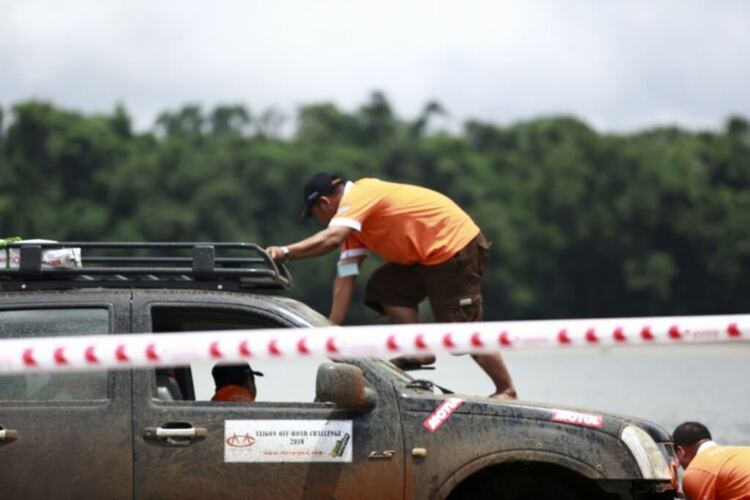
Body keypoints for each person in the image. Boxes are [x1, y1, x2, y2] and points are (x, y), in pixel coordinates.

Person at [266, 173, 517, 398]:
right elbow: (346, 274)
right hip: (426, 259)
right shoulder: (354, 227)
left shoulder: (361, 194)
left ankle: (506, 389)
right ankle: (419, 350)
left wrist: (285, 252)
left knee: (462, 333)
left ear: (324, 203)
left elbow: (331, 239)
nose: (318, 221)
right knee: (386, 287)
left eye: (315, 214)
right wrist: (331, 327)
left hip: (454, 247)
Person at [673, 421, 750, 499]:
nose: (678, 464)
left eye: (675, 457)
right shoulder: (740, 452)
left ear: (680, 451)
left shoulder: (697, 469)